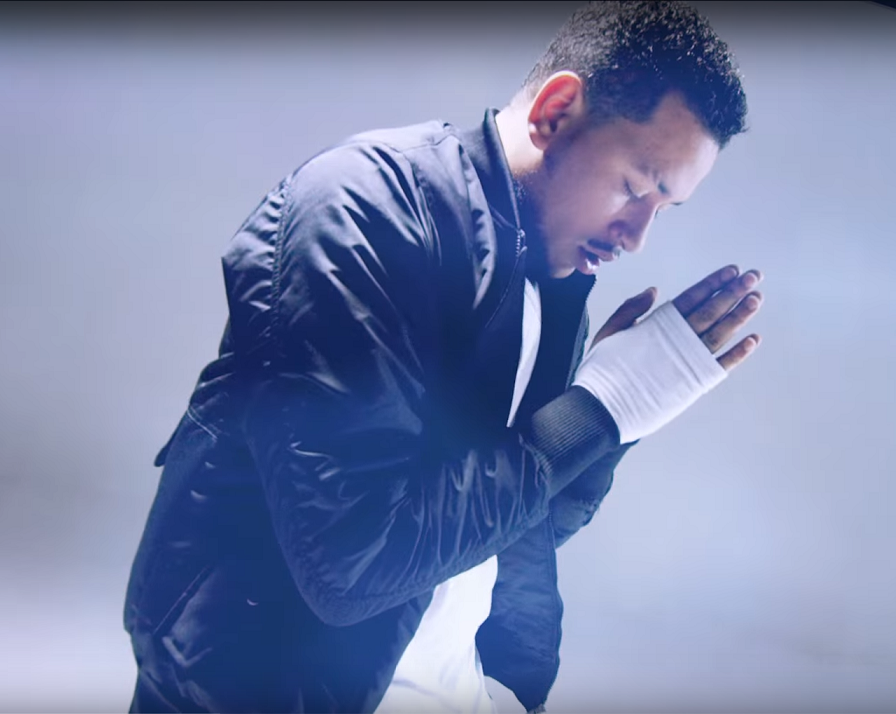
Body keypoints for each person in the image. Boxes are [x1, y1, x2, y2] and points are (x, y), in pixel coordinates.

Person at [122, 1, 763, 712]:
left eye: (663, 210)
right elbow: (352, 565)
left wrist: (608, 427)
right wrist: (598, 408)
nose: (637, 237)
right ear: (555, 112)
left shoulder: (551, 276)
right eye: (636, 188)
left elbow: (516, 527)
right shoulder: (361, 210)